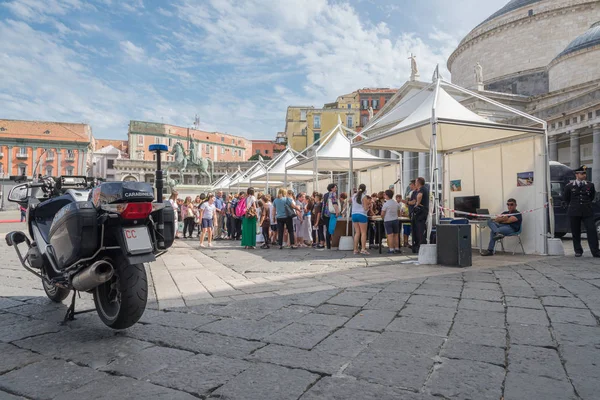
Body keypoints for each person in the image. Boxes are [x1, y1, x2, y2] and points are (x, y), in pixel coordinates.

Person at [563, 166, 600, 257]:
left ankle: (595, 251)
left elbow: (591, 197)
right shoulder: (569, 186)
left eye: (585, 173)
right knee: (576, 231)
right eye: (582, 173)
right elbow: (566, 199)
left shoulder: (590, 185)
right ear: (576, 175)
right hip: (574, 211)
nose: (584, 175)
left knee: (592, 231)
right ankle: (578, 250)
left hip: (587, 211)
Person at [411, 177, 429, 254]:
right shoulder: (421, 189)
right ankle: (417, 245)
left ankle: (421, 246)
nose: (415, 183)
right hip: (421, 212)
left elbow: (419, 196)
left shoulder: (422, 189)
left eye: (415, 182)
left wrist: (417, 204)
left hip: (421, 212)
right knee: (417, 230)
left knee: (420, 229)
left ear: (418, 183)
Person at [351, 184, 370, 255]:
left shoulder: (354, 196)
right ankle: (363, 249)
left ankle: (355, 249)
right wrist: (368, 205)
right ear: (365, 189)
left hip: (354, 214)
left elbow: (349, 201)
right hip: (362, 214)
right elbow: (365, 208)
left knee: (357, 232)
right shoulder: (364, 197)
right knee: (363, 233)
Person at [381, 189, 401, 254]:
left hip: (388, 220)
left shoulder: (386, 204)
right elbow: (398, 213)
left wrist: (383, 218)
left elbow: (382, 214)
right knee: (396, 234)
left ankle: (391, 249)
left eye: (385, 195)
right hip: (395, 220)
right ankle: (397, 248)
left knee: (390, 235)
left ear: (387, 195)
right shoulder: (396, 203)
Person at [322, 183, 340, 250]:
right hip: (331, 213)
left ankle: (328, 245)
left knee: (327, 229)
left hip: (325, 213)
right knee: (332, 228)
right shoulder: (333, 194)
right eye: (335, 187)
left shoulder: (325, 194)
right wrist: (337, 211)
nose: (336, 188)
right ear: (331, 188)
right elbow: (334, 203)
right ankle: (333, 244)